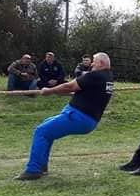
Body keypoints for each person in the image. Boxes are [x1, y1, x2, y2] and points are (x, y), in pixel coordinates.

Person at [14, 52, 114, 180]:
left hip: (78, 117)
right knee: (46, 125)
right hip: (87, 119)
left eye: (94, 61)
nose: (92, 64)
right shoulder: (108, 77)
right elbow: (81, 91)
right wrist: (59, 91)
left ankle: (33, 170)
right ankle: (41, 165)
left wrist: (49, 91)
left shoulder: (95, 75)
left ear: (101, 63)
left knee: (42, 131)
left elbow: (69, 86)